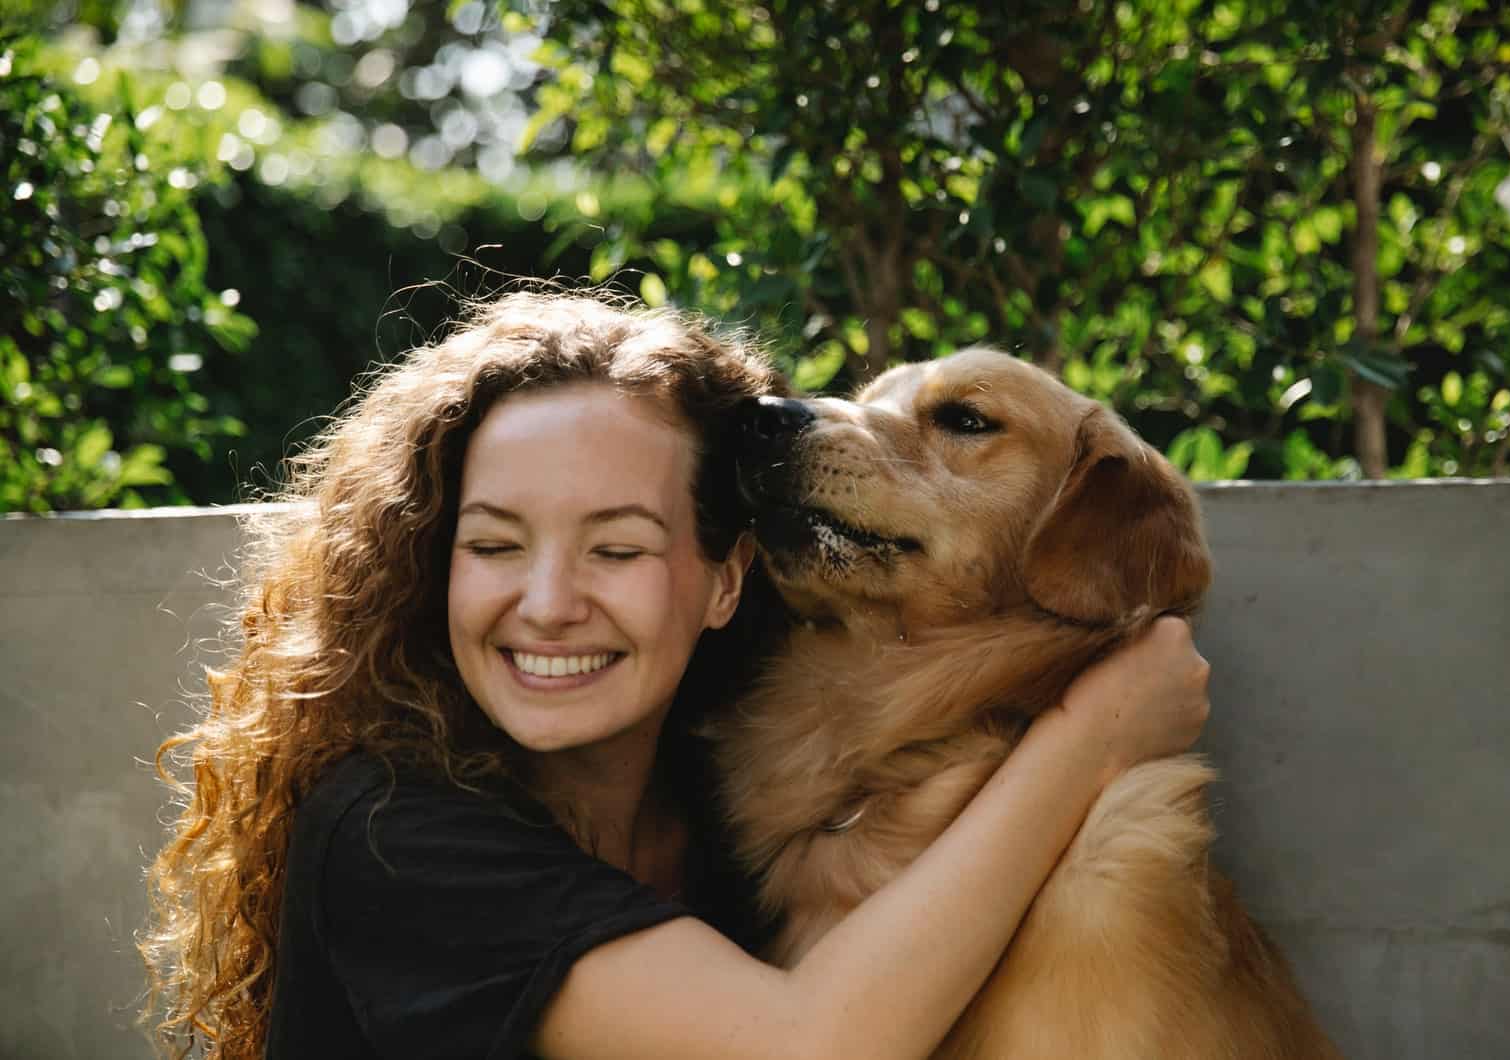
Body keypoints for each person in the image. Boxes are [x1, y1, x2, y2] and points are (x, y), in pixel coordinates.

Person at [140, 291, 1210, 1059]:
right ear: (434, 560)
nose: (549, 603)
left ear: (727, 581)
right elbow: (807, 1046)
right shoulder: (394, 835)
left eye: (617, 548)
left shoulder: (736, 802)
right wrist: (1094, 732)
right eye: (495, 544)